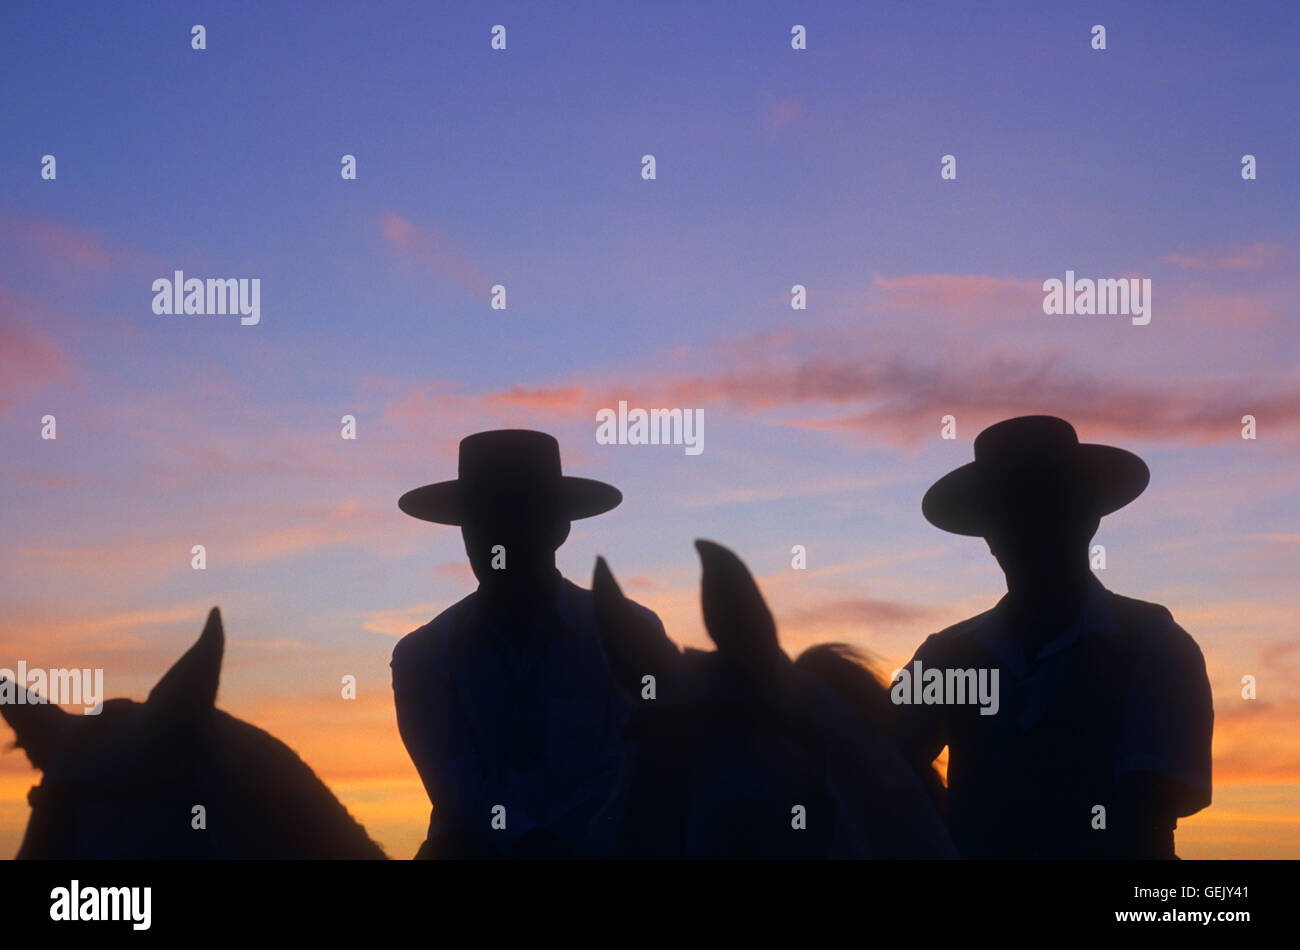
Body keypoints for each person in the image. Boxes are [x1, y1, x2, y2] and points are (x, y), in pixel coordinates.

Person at [895, 415, 1213, 858]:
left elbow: (1148, 808)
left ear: (1087, 520)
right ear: (989, 534)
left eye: (1047, 504)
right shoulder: (946, 655)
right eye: (1011, 510)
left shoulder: (1155, 645)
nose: (1029, 526)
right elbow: (878, 761)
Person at [390, 429, 667, 858]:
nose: (495, 537)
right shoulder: (421, 655)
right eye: (481, 520)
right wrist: (533, 844)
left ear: (557, 527)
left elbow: (634, 761)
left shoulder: (634, 632)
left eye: (516, 515)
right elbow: (455, 785)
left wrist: (553, 844)